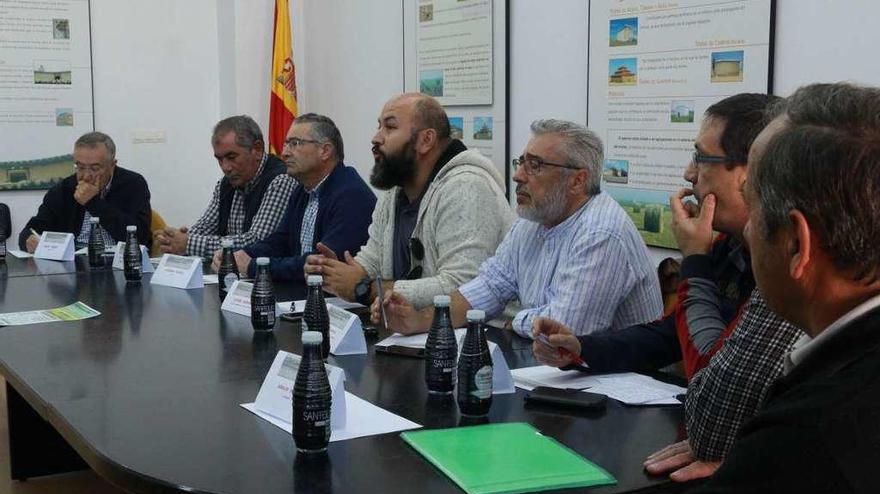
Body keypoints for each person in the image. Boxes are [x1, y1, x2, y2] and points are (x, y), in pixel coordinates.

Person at [532, 94, 804, 482]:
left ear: (751, 174)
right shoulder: (729, 246)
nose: (689, 174)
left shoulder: (782, 268)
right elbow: (671, 333)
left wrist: (693, 260)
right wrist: (584, 349)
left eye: (701, 158)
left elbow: (712, 376)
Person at [692, 83, 880, 493]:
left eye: (753, 207)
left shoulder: (809, 438)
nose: (746, 228)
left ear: (796, 243)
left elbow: (711, 427)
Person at [377, 119, 662, 337]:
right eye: (521, 162)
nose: (518, 175)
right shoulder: (532, 219)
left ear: (577, 181)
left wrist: (517, 321)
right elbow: (488, 287)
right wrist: (422, 320)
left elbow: (563, 330)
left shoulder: (601, 233)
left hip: (619, 390)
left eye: (535, 165)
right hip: (557, 377)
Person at [304, 93, 514, 308]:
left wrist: (363, 288)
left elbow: (463, 289)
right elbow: (373, 259)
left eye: (390, 127)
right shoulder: (396, 190)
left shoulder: (467, 187)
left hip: (480, 335)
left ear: (426, 140)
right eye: (379, 127)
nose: (376, 138)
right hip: (411, 330)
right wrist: (336, 273)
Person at [210, 113, 375, 282]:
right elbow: (279, 241)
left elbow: (318, 264)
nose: (284, 153)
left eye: (295, 143)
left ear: (325, 150)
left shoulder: (350, 195)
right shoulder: (302, 191)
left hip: (339, 302)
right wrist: (240, 255)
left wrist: (254, 266)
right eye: (286, 144)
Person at [156, 115, 296, 260]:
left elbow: (257, 242)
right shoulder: (226, 183)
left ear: (257, 149)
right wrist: (176, 239)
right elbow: (204, 228)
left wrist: (188, 243)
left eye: (231, 157)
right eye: (219, 159)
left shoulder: (280, 179)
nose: (225, 167)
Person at [19, 132, 151, 252]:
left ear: (112, 165)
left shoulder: (133, 184)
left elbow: (140, 237)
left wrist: (93, 202)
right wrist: (29, 240)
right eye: (80, 167)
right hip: (74, 263)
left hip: (118, 261)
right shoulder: (63, 189)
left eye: (95, 168)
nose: (86, 176)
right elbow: (31, 230)